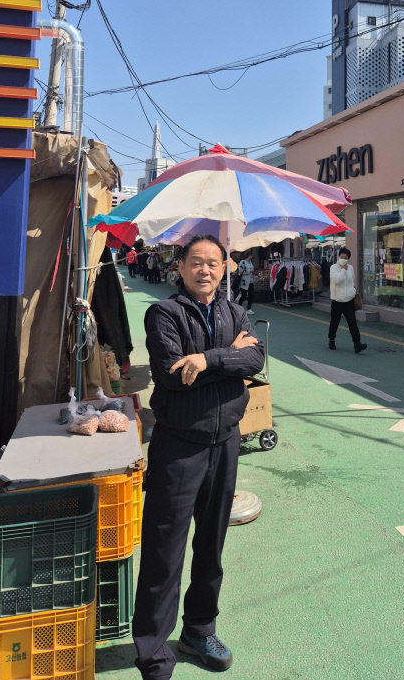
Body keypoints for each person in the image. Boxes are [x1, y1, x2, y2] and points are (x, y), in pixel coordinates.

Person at [132, 234, 265, 679]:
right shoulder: (163, 313)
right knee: (163, 551)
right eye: (196, 262)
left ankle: (199, 630)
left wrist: (206, 361)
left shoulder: (235, 311)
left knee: (211, 546)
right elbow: (172, 376)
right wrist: (230, 358)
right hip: (178, 446)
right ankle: (152, 653)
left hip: (226, 443)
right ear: (181, 268)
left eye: (213, 263)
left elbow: (256, 361)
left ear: (224, 269)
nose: (205, 270)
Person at [328, 248, 367, 353]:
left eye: (346, 258)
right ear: (338, 257)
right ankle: (331, 340)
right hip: (337, 300)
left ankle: (357, 344)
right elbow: (336, 281)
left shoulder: (351, 268)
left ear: (349, 259)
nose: (343, 259)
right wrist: (343, 270)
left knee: (352, 322)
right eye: (341, 257)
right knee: (335, 322)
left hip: (349, 300)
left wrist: (353, 291)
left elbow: (351, 280)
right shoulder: (333, 268)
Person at [236, 250, 255, 315]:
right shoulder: (242, 262)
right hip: (244, 281)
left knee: (251, 295)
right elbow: (240, 272)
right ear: (249, 255)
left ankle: (249, 309)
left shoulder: (250, 262)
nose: (252, 256)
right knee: (243, 295)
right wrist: (249, 271)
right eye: (251, 255)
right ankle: (239, 308)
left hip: (251, 280)